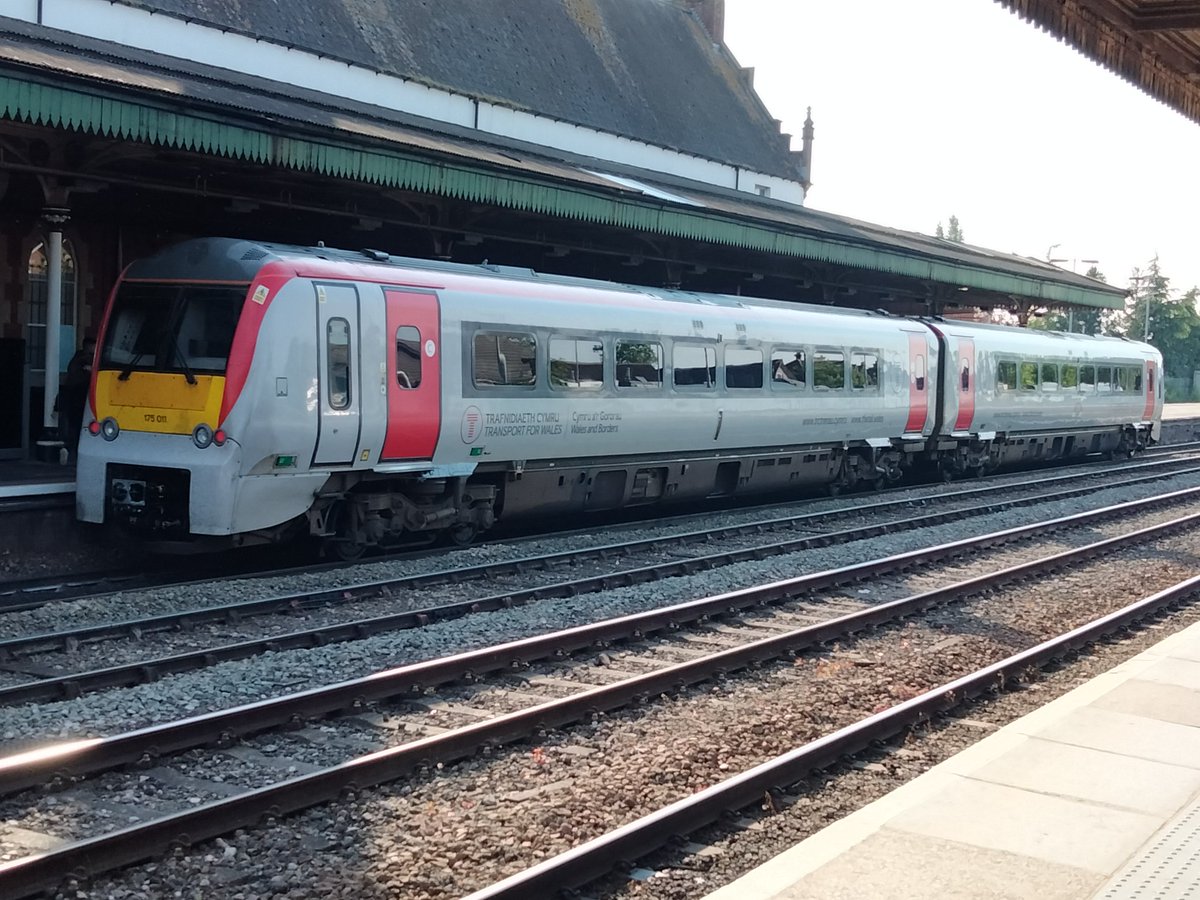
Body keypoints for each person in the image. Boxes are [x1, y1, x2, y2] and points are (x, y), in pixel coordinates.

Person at [59, 336, 95, 453]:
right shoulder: (82, 359)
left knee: (75, 424)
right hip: (78, 395)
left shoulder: (79, 359)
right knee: (77, 424)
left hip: (78, 396)